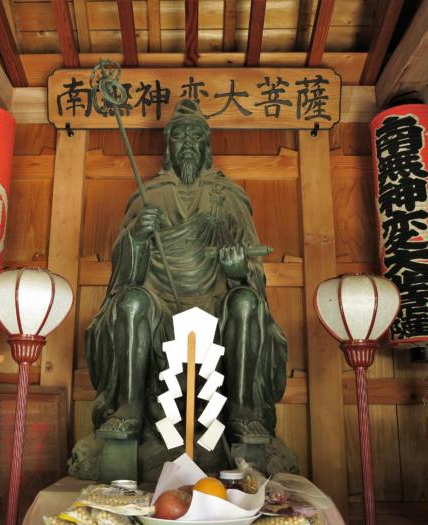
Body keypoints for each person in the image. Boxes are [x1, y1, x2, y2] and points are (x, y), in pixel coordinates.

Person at [85, 99, 288, 448]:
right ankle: (130, 408)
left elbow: (253, 265)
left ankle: (242, 410)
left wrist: (238, 268)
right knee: (130, 303)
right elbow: (123, 272)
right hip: (160, 304)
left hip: (215, 302)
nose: (189, 143)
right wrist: (137, 236)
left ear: (207, 146)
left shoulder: (228, 196)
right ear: (169, 146)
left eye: (196, 136)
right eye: (181, 136)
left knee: (246, 303)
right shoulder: (150, 196)